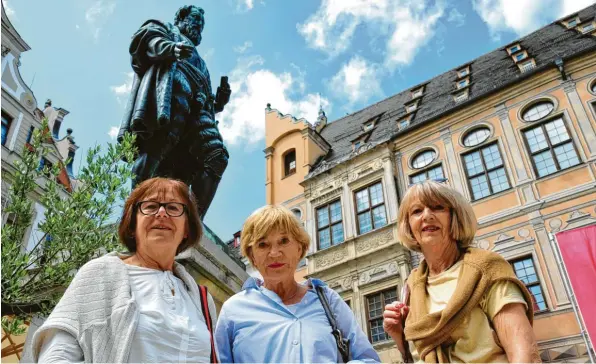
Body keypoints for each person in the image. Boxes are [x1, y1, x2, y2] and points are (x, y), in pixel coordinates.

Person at [28, 177, 218, 363]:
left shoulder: (201, 299)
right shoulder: (100, 273)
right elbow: (57, 355)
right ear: (133, 225)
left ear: (187, 228)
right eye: (150, 206)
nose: (161, 213)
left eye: (173, 207)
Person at [383, 180, 540, 363]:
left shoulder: (486, 269)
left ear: (455, 216)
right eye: (417, 211)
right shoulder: (412, 284)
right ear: (408, 225)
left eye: (438, 207)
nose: (427, 215)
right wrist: (400, 336)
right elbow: (416, 357)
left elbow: (524, 353)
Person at [215, 205, 380, 363]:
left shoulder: (328, 301)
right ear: (252, 257)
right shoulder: (234, 310)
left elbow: (368, 359)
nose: (274, 253)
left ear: (300, 248)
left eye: (284, 241)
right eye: (263, 244)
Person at [118, 5, 231, 218]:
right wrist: (171, 48)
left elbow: (207, 100)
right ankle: (135, 211)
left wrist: (219, 102)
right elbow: (144, 42)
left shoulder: (202, 63)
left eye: (202, 24)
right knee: (155, 154)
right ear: (180, 19)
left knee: (217, 155)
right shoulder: (166, 29)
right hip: (169, 100)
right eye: (195, 19)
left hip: (198, 112)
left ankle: (192, 223)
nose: (198, 25)